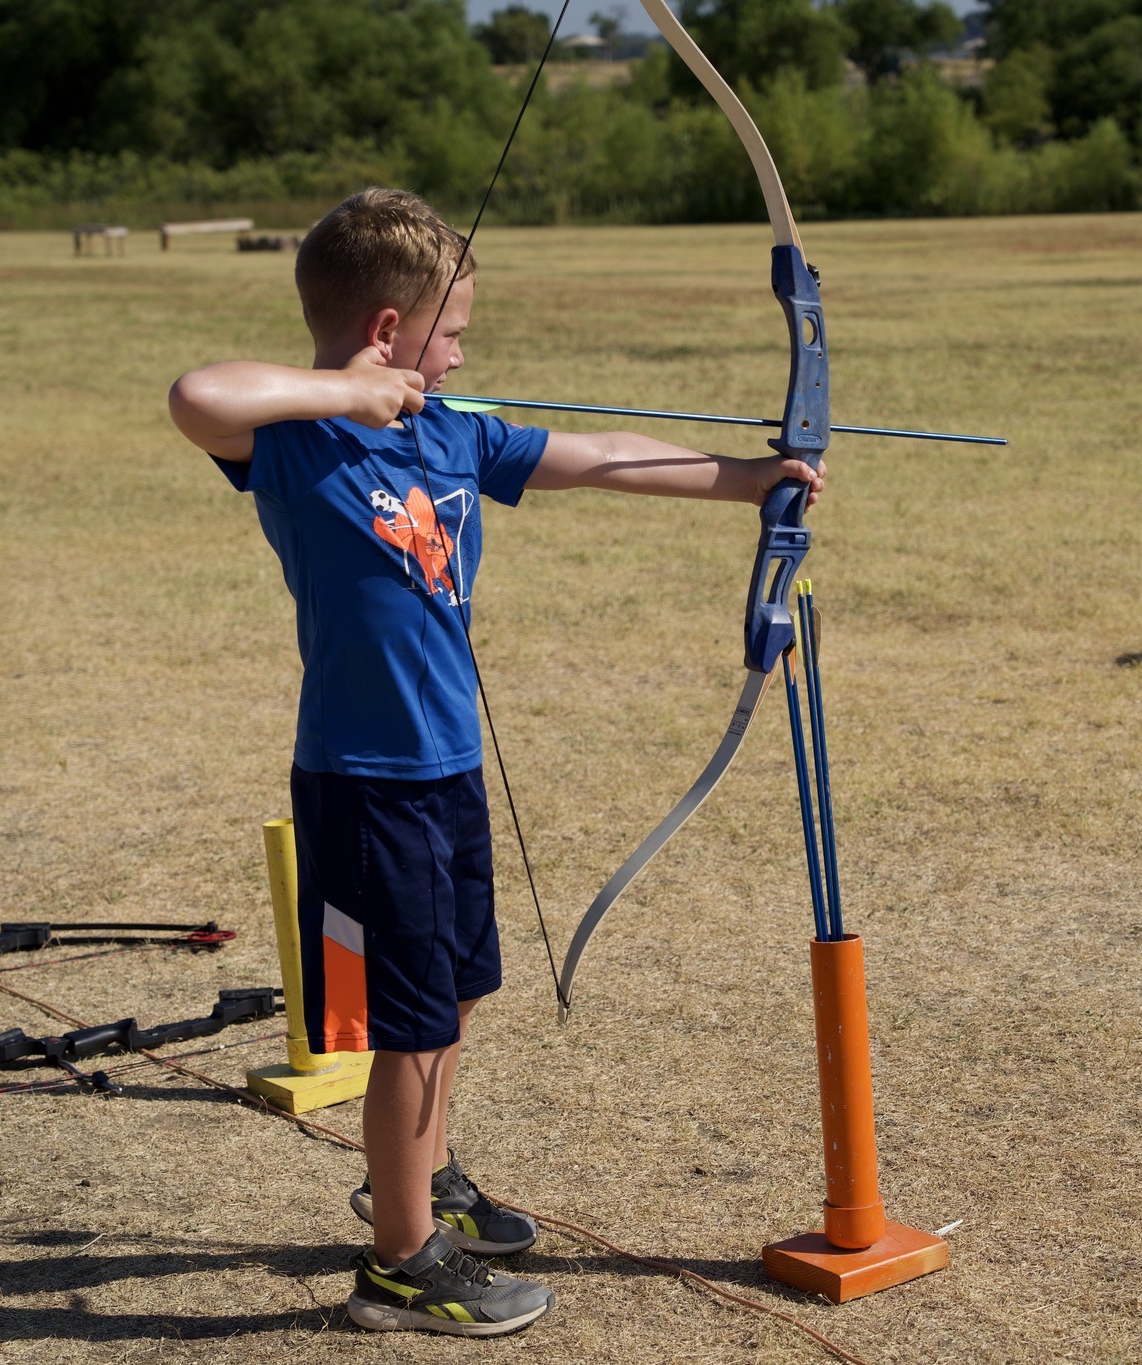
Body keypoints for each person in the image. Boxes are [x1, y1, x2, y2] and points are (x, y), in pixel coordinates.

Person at [167, 188, 824, 1337]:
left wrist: (749, 479)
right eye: (451, 329)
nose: (463, 350)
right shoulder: (294, 438)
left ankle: (416, 1184)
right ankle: (401, 1264)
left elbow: (603, 456)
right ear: (384, 330)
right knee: (402, 1023)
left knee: (451, 995)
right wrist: (348, 393)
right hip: (364, 782)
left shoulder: (453, 429)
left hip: (444, 769)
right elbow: (196, 394)